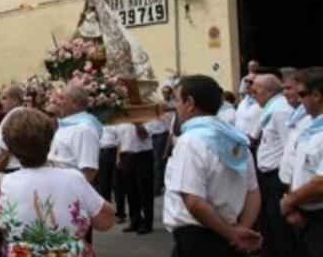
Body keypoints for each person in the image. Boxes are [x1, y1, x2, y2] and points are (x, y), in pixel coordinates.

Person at [0, 107, 114, 256]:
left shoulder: (0, 182)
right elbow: (105, 221)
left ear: (11, 147)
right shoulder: (73, 178)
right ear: (50, 138)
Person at [164, 74, 262, 256]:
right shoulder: (236, 140)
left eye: (177, 100)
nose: (174, 106)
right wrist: (241, 229)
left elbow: (193, 201)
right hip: (228, 233)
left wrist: (233, 234)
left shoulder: (190, 141)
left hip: (199, 237)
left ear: (190, 102)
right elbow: (253, 192)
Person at [252, 74, 301, 256]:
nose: (253, 95)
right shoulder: (271, 110)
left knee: (280, 230)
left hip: (277, 177)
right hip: (267, 176)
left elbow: (290, 148)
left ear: (269, 91)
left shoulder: (280, 111)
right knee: (268, 227)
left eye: (256, 91)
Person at [280, 67, 323, 257]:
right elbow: (297, 170)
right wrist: (293, 205)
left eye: (302, 94)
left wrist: (289, 202)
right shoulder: (309, 127)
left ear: (316, 95)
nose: (298, 99)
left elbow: (321, 183)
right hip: (305, 214)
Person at [49, 85, 102, 183]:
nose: (58, 102)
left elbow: (89, 172)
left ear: (74, 103)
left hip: (70, 193)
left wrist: (75, 195)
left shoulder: (84, 129)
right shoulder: (67, 125)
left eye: (62, 98)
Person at [117, 120, 155, 234]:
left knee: (145, 190)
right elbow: (120, 140)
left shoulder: (146, 118)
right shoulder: (122, 121)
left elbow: (144, 136)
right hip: (128, 156)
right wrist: (119, 157)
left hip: (143, 156)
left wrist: (137, 124)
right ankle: (135, 221)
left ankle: (147, 223)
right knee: (131, 191)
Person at [0, 85, 25, 173]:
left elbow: (5, 152)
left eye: (4, 98)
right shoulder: (26, 115)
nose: (1, 102)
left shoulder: (13, 117)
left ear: (15, 100)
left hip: (10, 168)